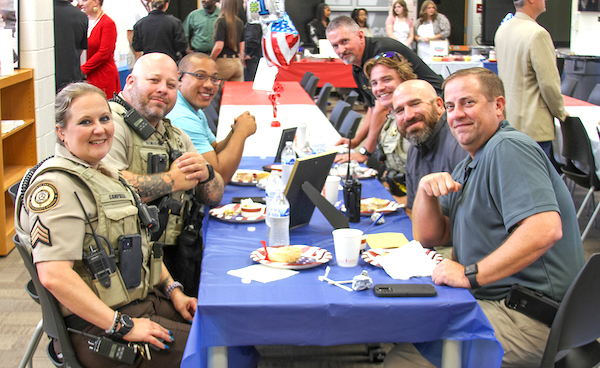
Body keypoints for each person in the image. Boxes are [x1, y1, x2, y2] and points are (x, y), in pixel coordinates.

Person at [385, 68, 585, 367]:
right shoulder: (470, 164)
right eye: (451, 106)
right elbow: (432, 237)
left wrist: (470, 274)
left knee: (403, 361)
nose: (457, 115)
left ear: (498, 106)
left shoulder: (508, 148)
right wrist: (426, 192)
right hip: (498, 304)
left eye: (468, 103)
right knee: (409, 326)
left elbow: (545, 229)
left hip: (529, 319)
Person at [15, 82, 196, 368]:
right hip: (98, 327)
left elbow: (142, 245)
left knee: (219, 330)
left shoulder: (107, 175)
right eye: (85, 122)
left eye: (104, 119)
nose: (99, 129)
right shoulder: (59, 188)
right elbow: (54, 275)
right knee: (216, 352)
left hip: (140, 303)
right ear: (62, 132)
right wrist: (123, 326)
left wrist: (174, 290)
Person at [103, 53, 224, 297]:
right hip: (130, 265)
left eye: (170, 85)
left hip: (175, 253)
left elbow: (214, 196)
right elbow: (107, 192)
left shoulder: (175, 134)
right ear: (130, 82)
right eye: (154, 81)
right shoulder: (106, 126)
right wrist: (172, 180)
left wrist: (207, 173)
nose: (163, 90)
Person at [325, 15, 443, 164]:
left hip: (436, 109)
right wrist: (356, 141)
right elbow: (373, 107)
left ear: (361, 35)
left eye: (345, 41)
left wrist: (365, 152)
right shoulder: (357, 68)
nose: (341, 49)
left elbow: (382, 108)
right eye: (335, 45)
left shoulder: (382, 51)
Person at [167, 53, 257, 183]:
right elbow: (217, 177)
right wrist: (241, 132)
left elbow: (213, 149)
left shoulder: (192, 108)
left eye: (214, 79)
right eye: (200, 76)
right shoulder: (182, 117)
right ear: (179, 78)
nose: (209, 85)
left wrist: (234, 132)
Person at [494, 0, 567, 159]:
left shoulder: (502, 30)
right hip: (533, 128)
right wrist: (561, 113)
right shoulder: (537, 34)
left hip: (508, 122)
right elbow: (549, 84)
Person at [391, 78, 466, 212]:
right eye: (400, 110)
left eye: (415, 104)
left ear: (438, 105)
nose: (408, 116)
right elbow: (413, 210)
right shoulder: (415, 146)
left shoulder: (460, 144)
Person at [362, 52, 415, 197]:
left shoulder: (416, 120)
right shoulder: (391, 119)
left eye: (386, 80)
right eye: (374, 83)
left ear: (404, 80)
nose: (379, 88)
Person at [80, 0, 121, 99]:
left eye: (84, 0)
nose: (81, 3)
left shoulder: (107, 23)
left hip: (102, 75)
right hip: (85, 75)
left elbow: (104, 53)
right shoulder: (83, 21)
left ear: (95, 2)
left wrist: (82, 69)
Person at [53, 0, 88, 93]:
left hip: (51, 78)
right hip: (72, 78)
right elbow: (81, 49)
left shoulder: (46, 14)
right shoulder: (81, 16)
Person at [210, 0, 245, 81]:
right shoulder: (240, 22)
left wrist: (211, 59)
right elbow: (242, 46)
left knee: (218, 91)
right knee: (236, 92)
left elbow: (219, 46)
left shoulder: (221, 21)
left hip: (223, 62)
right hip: (237, 63)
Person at [242, 0, 262, 81]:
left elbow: (252, 40)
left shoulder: (253, 20)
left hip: (253, 60)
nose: (243, 4)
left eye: (244, 2)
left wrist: (247, 54)